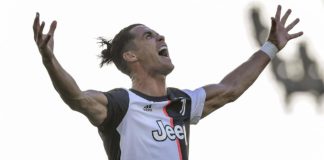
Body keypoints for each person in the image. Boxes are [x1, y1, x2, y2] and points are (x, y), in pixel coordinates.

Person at [33, 5, 303, 160]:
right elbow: (78, 98)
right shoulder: (121, 104)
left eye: (158, 33)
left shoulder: (181, 103)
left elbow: (230, 90)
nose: (161, 37)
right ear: (131, 55)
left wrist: (270, 46)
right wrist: (49, 60)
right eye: (149, 36)